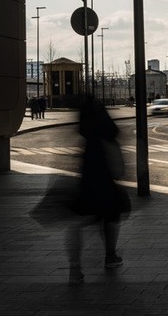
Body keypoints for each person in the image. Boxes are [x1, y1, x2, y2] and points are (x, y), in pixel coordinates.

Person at [67, 95, 130, 285]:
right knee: (111, 217)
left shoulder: (85, 128)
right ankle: (110, 255)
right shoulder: (106, 128)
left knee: (79, 221)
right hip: (105, 181)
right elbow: (118, 163)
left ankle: (75, 268)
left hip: (87, 181)